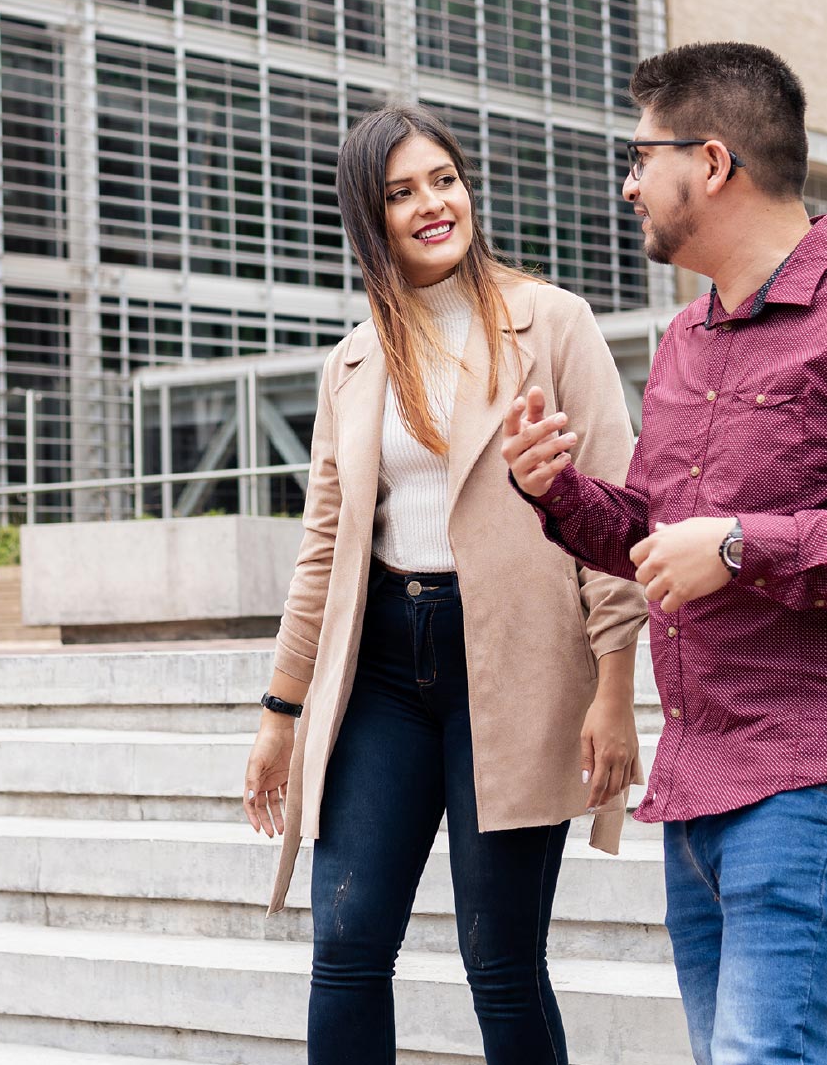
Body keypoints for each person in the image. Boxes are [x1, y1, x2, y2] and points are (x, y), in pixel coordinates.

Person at [500, 42, 827, 1065]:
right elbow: (654, 533)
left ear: (715, 162)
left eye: (642, 155)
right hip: (699, 782)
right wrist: (556, 490)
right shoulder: (688, 338)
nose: (629, 182)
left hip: (816, 774)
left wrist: (742, 545)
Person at [241, 103, 647, 1065]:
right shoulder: (353, 360)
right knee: (343, 948)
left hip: (511, 661)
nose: (432, 204)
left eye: (444, 180)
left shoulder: (551, 322)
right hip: (381, 665)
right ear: (368, 217)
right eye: (400, 192)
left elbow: (620, 514)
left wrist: (617, 687)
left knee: (500, 958)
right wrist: (279, 712)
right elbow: (323, 548)